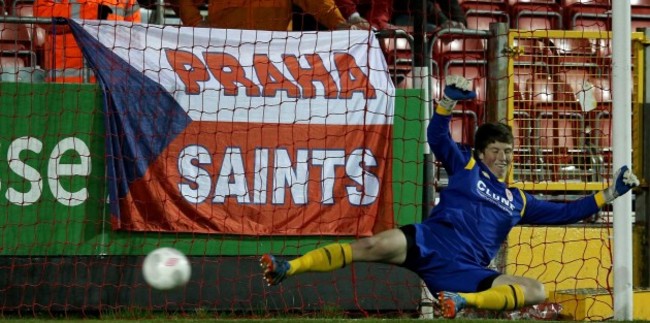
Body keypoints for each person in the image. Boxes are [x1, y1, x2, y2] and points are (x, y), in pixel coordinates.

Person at [260, 75, 640, 318]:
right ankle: (287, 268)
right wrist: (446, 104)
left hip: (465, 270)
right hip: (429, 241)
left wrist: (609, 194)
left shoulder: (519, 200)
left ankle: (461, 301)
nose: (503, 157)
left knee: (535, 290)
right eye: (495, 150)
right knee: (372, 244)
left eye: (507, 151)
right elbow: (437, 138)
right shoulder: (466, 167)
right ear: (481, 153)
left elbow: (566, 211)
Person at [34, 0, 141, 83]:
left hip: (112, 83)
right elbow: (42, 12)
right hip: (67, 85)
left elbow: (134, 38)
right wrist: (92, 14)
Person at [177, 0, 362, 31]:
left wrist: (338, 24)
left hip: (273, 56)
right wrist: (195, 23)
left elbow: (316, 1)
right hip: (224, 51)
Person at [393, 0, 467, 32]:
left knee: (443, 31)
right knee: (433, 30)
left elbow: (452, 5)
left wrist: (459, 23)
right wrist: (443, 21)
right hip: (402, 17)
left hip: (428, 18)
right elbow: (418, 3)